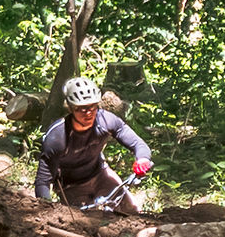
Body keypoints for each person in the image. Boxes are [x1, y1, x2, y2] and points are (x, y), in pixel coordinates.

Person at [34, 77, 153, 210]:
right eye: (82, 108)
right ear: (71, 108)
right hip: (71, 187)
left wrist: (142, 159)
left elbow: (137, 143)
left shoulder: (105, 120)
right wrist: (46, 207)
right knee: (88, 222)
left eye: (93, 106)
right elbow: (42, 182)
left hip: (101, 174)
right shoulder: (57, 137)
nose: (89, 113)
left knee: (132, 210)